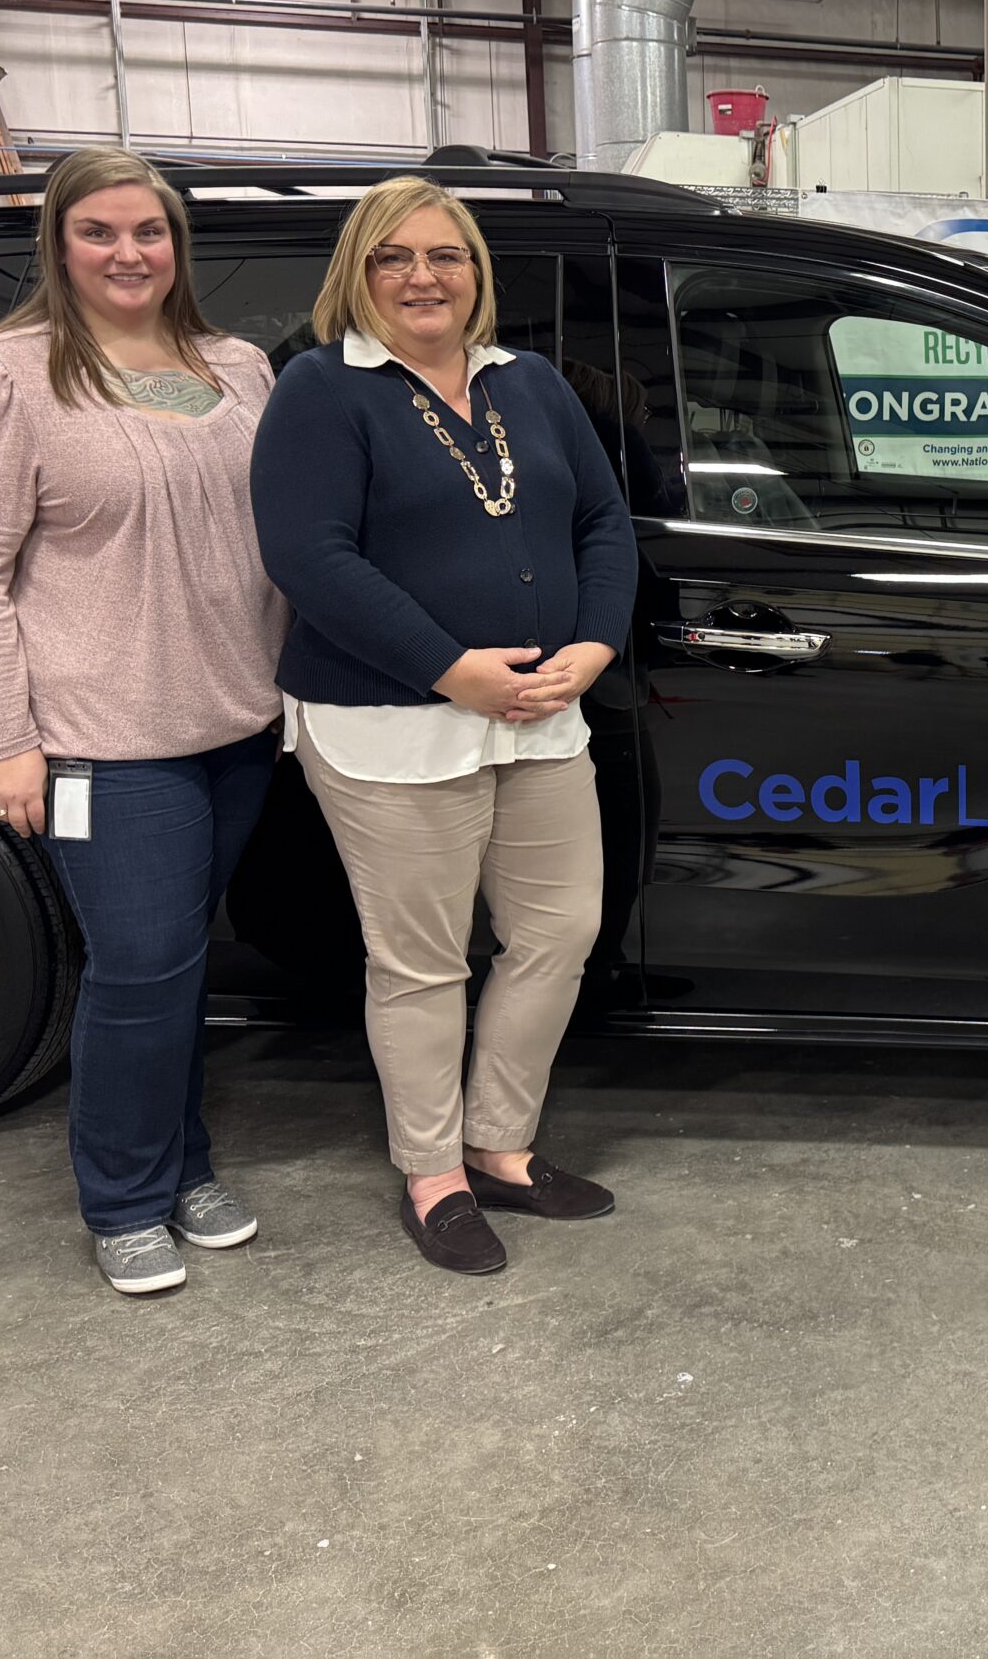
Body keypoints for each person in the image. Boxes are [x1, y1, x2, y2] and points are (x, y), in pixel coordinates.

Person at [250, 178, 636, 1277]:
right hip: (390, 724)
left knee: (558, 934)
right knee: (420, 965)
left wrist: (595, 644)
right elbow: (309, 557)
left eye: (446, 255)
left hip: (543, 718)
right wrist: (449, 669)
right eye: (393, 258)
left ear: (477, 272)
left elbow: (602, 521)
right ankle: (433, 1175)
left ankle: (502, 1147)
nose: (423, 276)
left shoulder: (533, 384)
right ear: (356, 277)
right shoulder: (322, 392)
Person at [0, 146, 288, 1297]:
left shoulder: (233, 368)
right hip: (100, 736)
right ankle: (125, 1197)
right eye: (100, 232)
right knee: (136, 969)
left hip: (235, 722)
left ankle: (183, 1166)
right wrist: (5, 740)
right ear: (60, 245)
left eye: (150, 232)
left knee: (179, 967)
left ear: (178, 246)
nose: (129, 253)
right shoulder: (10, 374)